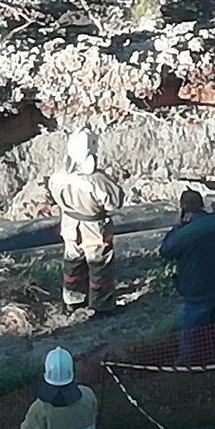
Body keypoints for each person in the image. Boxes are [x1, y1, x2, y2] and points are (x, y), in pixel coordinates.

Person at [158, 189, 215, 364]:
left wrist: (177, 226)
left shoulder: (183, 234)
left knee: (193, 327)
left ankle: (187, 363)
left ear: (183, 209)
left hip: (198, 289)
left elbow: (165, 251)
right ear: (202, 205)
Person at [48, 129, 126, 315]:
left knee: (72, 262)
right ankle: (102, 305)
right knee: (100, 266)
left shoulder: (57, 177)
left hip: (69, 225)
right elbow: (115, 202)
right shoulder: (97, 180)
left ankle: (73, 301)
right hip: (94, 229)